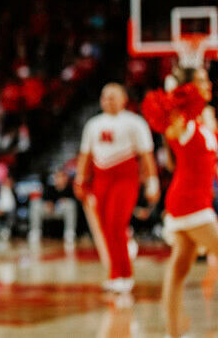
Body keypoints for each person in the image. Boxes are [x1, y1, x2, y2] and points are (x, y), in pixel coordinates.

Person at [142, 67, 217, 338]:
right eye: (201, 81)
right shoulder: (181, 122)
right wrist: (177, 93)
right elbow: (160, 110)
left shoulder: (202, 123)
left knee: (179, 269)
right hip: (190, 204)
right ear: (187, 88)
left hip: (198, 202)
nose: (208, 83)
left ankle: (172, 335)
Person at [74, 83, 159, 293]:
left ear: (123, 99)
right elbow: (86, 155)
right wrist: (80, 179)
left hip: (125, 179)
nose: (107, 101)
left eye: (112, 97)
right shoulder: (93, 125)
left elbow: (146, 156)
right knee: (105, 227)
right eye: (104, 97)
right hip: (101, 180)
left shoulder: (135, 123)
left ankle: (126, 274)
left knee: (116, 223)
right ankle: (114, 273)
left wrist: (152, 182)